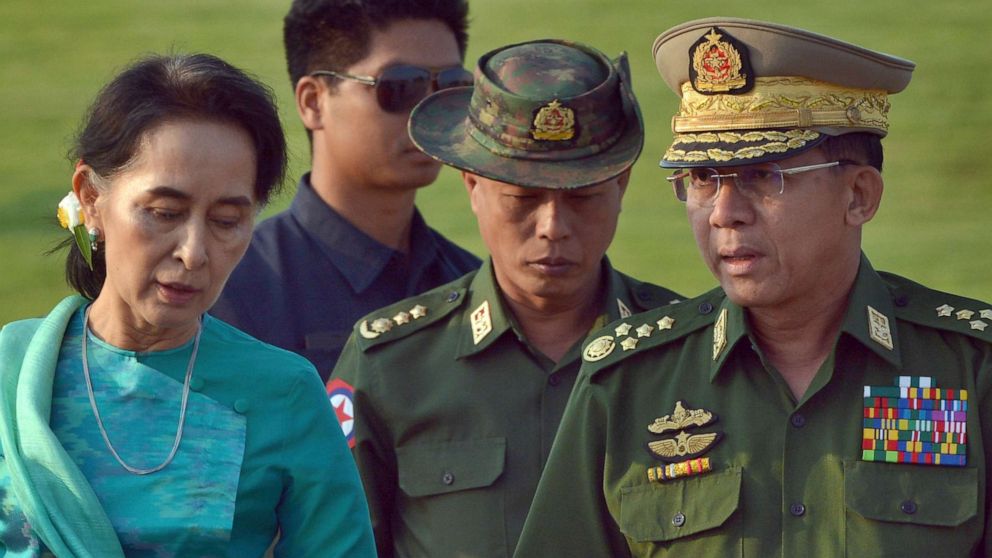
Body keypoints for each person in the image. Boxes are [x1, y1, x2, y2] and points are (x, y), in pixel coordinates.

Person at [515, 17, 992, 557]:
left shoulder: (971, 370)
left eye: (763, 176)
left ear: (859, 195)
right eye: (701, 179)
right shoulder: (625, 383)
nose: (723, 214)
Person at [0, 53, 375, 557]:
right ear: (91, 198)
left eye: (225, 220)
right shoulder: (12, 373)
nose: (194, 252)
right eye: (164, 212)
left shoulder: (282, 393)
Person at [329, 39, 684, 558]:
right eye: (523, 198)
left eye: (582, 197)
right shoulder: (389, 364)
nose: (553, 228)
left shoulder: (687, 352)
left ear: (622, 185)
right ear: (473, 185)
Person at [211, 0, 481, 381]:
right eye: (401, 86)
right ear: (313, 102)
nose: (429, 111)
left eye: (451, 86)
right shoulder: (228, 289)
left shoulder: (475, 284)